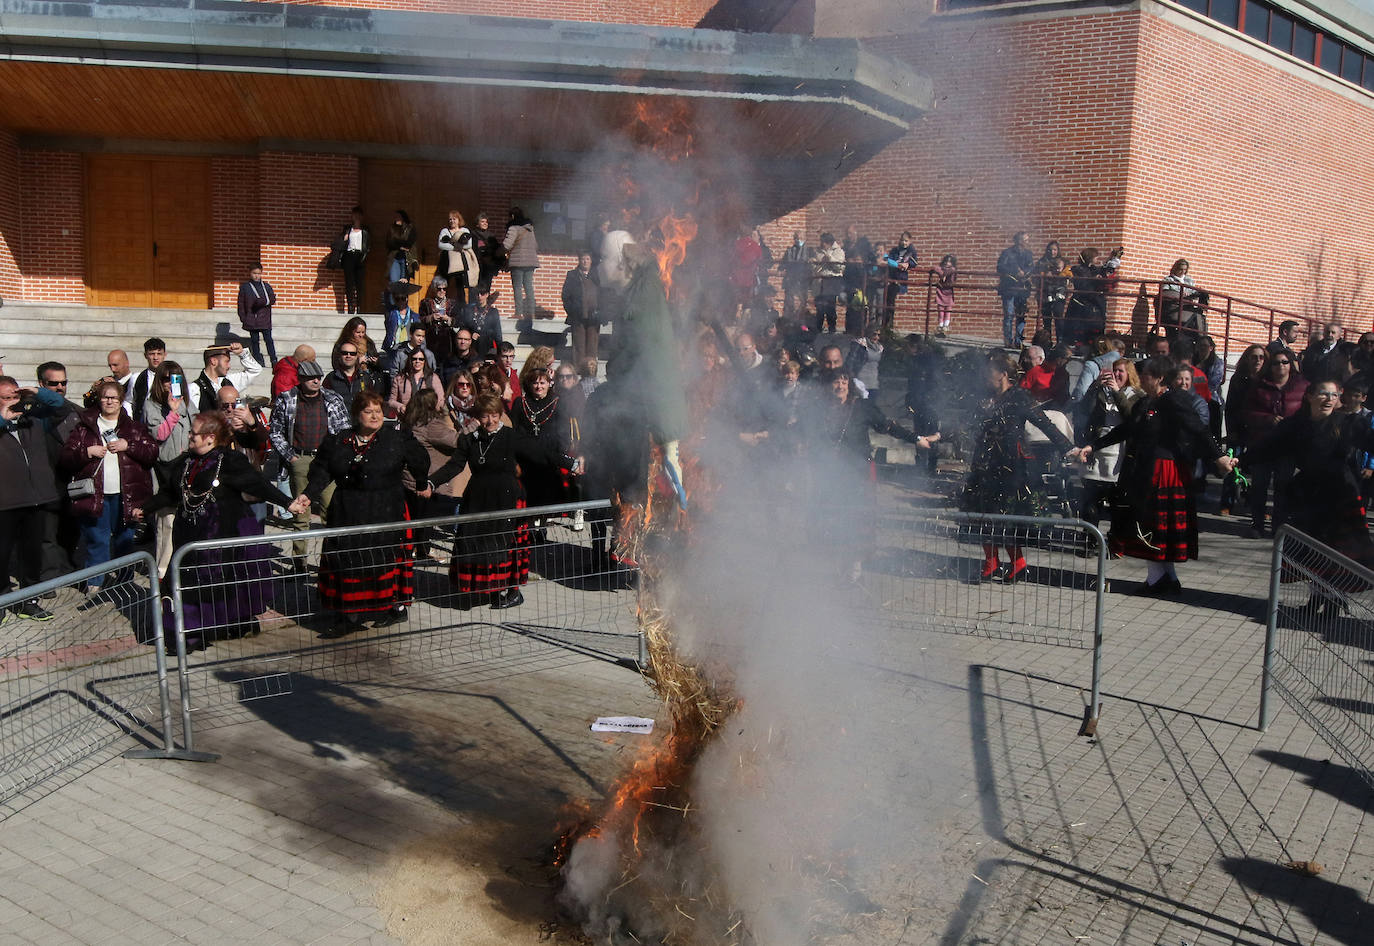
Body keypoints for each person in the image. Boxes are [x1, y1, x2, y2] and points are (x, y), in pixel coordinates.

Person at [139, 411, 304, 650]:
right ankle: (186, 634)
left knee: (213, 587)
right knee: (184, 583)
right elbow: (170, 492)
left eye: (194, 433)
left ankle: (208, 629)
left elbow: (257, 483)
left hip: (216, 536)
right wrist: (144, 509)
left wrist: (287, 503)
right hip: (187, 534)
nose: (189, 437)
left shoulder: (229, 460)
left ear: (210, 438)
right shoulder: (186, 461)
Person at [1076, 357, 1237, 594]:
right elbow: (1127, 428)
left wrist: (1219, 457)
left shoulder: (1173, 399)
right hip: (1148, 470)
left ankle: (1157, 580)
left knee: (1155, 527)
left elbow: (1198, 428)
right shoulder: (1146, 402)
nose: (1142, 379)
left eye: (1147, 376)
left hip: (1166, 471)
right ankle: (1166, 578)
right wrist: (1094, 445)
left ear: (1159, 378)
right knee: (1152, 527)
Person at [295, 391, 431, 636]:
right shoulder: (339, 440)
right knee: (348, 560)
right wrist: (307, 495)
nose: (375, 415)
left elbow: (420, 460)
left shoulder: (396, 438)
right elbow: (322, 471)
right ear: (357, 415)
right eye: (369, 411)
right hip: (348, 510)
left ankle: (395, 607)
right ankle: (350, 613)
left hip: (385, 509)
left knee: (383, 560)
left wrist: (422, 483)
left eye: (378, 410)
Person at [429, 393, 577, 609]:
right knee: (476, 543)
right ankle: (481, 588)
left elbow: (540, 452)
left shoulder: (510, 436)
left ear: (500, 415)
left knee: (506, 546)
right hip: (478, 498)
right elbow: (454, 466)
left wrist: (569, 463)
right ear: (478, 417)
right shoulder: (469, 440)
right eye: (485, 416)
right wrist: (431, 483)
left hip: (506, 497)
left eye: (494, 415)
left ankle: (512, 591)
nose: (489, 421)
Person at [1247, 379, 1374, 613]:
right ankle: (1317, 597)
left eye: (1333, 395)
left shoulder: (1349, 423)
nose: (1328, 399)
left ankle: (1334, 599)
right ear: (1310, 396)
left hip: (1341, 494)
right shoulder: (1296, 425)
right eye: (1323, 393)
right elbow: (1267, 447)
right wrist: (1237, 460)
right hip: (1309, 495)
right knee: (1312, 550)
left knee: (1338, 551)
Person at [805, 366, 935, 581]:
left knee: (858, 517)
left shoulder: (862, 407)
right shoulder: (821, 409)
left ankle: (855, 564)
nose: (840, 386)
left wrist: (916, 439)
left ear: (850, 386)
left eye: (844, 382)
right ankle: (833, 565)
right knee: (832, 517)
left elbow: (888, 426)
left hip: (858, 472)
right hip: (830, 473)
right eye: (836, 382)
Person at [961, 352, 1075, 583]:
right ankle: (991, 562)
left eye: (989, 373)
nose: (985, 378)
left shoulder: (1019, 397)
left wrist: (1069, 449)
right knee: (984, 514)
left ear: (1003, 374)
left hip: (1011, 466)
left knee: (1007, 517)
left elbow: (1044, 423)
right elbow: (970, 424)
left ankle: (1018, 563)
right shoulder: (985, 398)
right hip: (985, 464)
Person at [59, 380, 158, 595]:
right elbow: (66, 457)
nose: (109, 401)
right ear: (99, 399)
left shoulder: (133, 427)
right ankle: (95, 580)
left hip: (127, 493)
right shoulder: (84, 426)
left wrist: (128, 446)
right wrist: (87, 452)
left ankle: (125, 579)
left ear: (121, 400)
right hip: (96, 493)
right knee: (97, 538)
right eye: (105, 397)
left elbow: (151, 452)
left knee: (125, 538)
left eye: (114, 397)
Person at [269, 360, 350, 563]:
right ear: (301, 379)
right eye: (311, 377)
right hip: (300, 458)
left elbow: (345, 430)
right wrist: (291, 456)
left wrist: (337, 456)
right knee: (300, 515)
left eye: (319, 377)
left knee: (330, 513)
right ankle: (299, 563)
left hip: (327, 462)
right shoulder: (286, 399)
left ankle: (331, 562)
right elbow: (275, 431)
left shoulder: (332, 398)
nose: (316, 381)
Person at [0, 378, 67, 619]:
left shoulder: (34, 420)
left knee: (32, 554)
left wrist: (36, 392)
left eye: (15, 397)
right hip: (5, 502)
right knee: (2, 554)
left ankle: (27, 600)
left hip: (36, 499)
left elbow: (60, 405)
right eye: (6, 398)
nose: (12, 403)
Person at [1242, 350, 1308, 537]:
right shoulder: (1259, 386)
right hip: (1262, 443)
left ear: (1291, 365)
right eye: (1276, 363)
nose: (1280, 366)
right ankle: (1257, 523)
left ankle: (1279, 525)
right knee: (1259, 486)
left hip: (1288, 445)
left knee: (1283, 486)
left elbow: (1307, 412)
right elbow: (1247, 412)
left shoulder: (1302, 386)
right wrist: (1268, 419)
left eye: (1285, 362)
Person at [1075, 357, 1142, 523]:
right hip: (1097, 447)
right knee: (1090, 497)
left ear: (1129, 374)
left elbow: (1130, 418)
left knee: (1115, 500)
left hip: (1120, 451)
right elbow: (1084, 411)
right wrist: (1094, 387)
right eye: (1114, 371)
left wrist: (1117, 393)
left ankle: (1113, 541)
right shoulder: (1100, 392)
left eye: (1121, 371)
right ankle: (1089, 539)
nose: (1117, 374)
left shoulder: (1136, 395)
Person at [509, 359, 570, 512]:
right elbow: (513, 430)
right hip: (525, 460)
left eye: (542, 383)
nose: (539, 387)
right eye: (535, 383)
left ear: (549, 384)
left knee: (545, 503)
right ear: (529, 384)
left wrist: (560, 453)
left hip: (548, 460)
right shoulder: (520, 403)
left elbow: (564, 432)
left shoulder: (558, 403)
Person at [1219, 343, 1267, 516]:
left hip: (1258, 431)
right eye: (1253, 357)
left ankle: (1255, 504)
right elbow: (1230, 407)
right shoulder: (1238, 379)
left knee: (1258, 471)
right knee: (1232, 467)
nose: (1257, 360)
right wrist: (1231, 429)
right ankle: (1227, 503)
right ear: (1247, 358)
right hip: (1239, 428)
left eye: (1261, 357)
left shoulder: (1266, 380)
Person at [143, 361, 197, 485]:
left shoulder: (186, 403)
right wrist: (173, 412)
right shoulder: (151, 404)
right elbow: (159, 435)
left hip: (187, 461)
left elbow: (198, 425)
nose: (171, 384)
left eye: (176, 379)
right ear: (159, 381)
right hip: (165, 464)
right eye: (167, 379)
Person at [193, 342, 262, 413]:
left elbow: (255, 370)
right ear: (213, 361)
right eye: (226, 361)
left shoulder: (230, 381)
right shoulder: (195, 388)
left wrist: (242, 353)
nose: (229, 366)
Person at [562, 251, 601, 367]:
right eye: (583, 259)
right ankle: (578, 369)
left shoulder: (597, 276)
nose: (585, 261)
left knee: (592, 345)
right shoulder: (572, 275)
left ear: (591, 261)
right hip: (578, 316)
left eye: (587, 259)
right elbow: (565, 296)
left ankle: (590, 370)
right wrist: (572, 311)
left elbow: (604, 294)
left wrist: (601, 311)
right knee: (579, 345)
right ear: (579, 261)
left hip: (594, 316)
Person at [1063, 247, 1108, 349]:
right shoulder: (1078, 270)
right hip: (1081, 303)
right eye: (1095, 257)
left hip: (1094, 303)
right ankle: (1077, 345)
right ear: (1090, 257)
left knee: (1096, 327)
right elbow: (1082, 284)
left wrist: (1111, 261)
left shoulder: (1094, 269)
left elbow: (1103, 272)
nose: (1097, 259)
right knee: (1078, 327)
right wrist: (1093, 279)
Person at [996, 232, 1033, 348]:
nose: (1027, 242)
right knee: (1009, 314)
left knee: (1021, 315)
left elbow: (1032, 267)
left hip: (1022, 289)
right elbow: (1000, 267)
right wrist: (1015, 271)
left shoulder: (1028, 254)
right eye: (1026, 240)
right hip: (1009, 288)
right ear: (1019, 240)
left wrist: (1025, 273)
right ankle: (1008, 340)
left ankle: (1018, 341)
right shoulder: (1007, 253)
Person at [503, 206, 540, 325]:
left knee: (518, 287)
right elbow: (535, 246)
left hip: (518, 262)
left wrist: (498, 253)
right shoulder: (530, 229)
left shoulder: (513, 228)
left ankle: (519, 313)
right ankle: (531, 312)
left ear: (512, 216)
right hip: (531, 262)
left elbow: (507, 245)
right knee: (529, 287)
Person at [236, 263, 278, 364]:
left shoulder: (266, 286)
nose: (257, 276)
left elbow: (272, 299)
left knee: (268, 340)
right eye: (254, 273)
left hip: (264, 318)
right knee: (254, 341)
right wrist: (243, 318)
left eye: (259, 273)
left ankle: (273, 359)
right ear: (250, 273)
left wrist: (262, 302)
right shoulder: (245, 287)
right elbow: (241, 303)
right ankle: (258, 359)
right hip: (252, 319)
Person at [387, 345, 444, 417]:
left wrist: (432, 410)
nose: (417, 361)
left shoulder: (433, 378)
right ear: (410, 360)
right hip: (407, 417)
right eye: (414, 359)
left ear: (425, 361)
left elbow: (441, 399)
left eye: (421, 359)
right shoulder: (399, 378)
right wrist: (400, 406)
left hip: (428, 418)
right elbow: (391, 401)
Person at [325, 339, 384, 403]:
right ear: (339, 355)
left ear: (357, 356)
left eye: (352, 353)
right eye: (344, 353)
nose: (348, 356)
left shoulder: (365, 377)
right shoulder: (331, 378)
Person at [1033, 241, 1070, 343]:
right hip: (1045, 293)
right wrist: (1044, 275)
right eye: (1050, 250)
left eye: (1054, 249)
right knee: (1046, 319)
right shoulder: (1041, 262)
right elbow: (1035, 277)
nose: (1052, 252)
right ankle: (1047, 342)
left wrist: (1058, 275)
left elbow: (1068, 274)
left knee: (1058, 317)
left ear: (1058, 251)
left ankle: (1060, 341)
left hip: (1059, 294)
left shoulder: (1064, 262)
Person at [1158, 259, 1205, 340]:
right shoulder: (1168, 280)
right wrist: (1180, 294)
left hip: (1187, 307)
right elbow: (1165, 292)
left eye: (1185, 270)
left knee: (1198, 316)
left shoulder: (1189, 281)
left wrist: (1191, 295)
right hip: (1173, 308)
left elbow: (1194, 293)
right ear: (1176, 268)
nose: (1182, 272)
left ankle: (1199, 340)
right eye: (1180, 269)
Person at [810, 231, 845, 335]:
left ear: (828, 242)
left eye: (823, 242)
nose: (821, 244)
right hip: (820, 282)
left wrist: (830, 258)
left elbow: (840, 267)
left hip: (832, 282)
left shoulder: (838, 251)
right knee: (820, 308)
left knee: (830, 308)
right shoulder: (818, 252)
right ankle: (818, 330)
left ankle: (832, 330)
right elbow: (815, 269)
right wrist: (813, 263)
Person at [125, 337, 166, 423]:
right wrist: (130, 421)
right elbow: (129, 401)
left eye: (159, 353)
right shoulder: (136, 378)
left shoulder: (172, 378)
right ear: (145, 355)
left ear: (164, 355)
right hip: (142, 426)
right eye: (152, 354)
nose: (155, 357)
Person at [338, 206, 369, 315]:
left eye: (358, 215)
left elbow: (368, 245)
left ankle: (359, 306)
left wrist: (365, 256)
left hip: (360, 256)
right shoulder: (348, 229)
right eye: (354, 215)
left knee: (359, 284)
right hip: (349, 256)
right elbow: (341, 242)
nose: (356, 217)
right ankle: (350, 306)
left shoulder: (365, 230)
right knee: (349, 283)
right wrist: (344, 237)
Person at [460, 286, 503, 362]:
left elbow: (497, 333)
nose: (479, 296)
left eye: (482, 294)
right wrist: (470, 334)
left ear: (487, 295)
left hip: (488, 348)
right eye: (477, 294)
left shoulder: (493, 312)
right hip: (472, 348)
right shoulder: (468, 310)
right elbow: (463, 328)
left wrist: (500, 353)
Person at [778, 231, 809, 320]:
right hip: (790, 280)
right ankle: (788, 323)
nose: (799, 240)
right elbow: (783, 264)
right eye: (797, 238)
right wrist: (780, 270)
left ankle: (800, 324)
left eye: (801, 238)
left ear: (805, 239)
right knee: (789, 303)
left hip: (801, 281)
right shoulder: (789, 251)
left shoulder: (809, 251)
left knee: (802, 303)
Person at [470, 211, 504, 293]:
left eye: (486, 222)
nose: (485, 223)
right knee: (475, 289)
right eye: (482, 221)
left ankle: (485, 305)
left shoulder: (491, 236)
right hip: (476, 266)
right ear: (477, 223)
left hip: (488, 267)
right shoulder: (472, 235)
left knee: (486, 288)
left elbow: (497, 251)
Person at [385, 209, 416, 286]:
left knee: (404, 284)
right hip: (394, 258)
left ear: (403, 218)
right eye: (395, 217)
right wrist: (400, 247)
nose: (396, 218)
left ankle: (402, 298)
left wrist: (397, 242)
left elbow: (409, 243)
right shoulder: (392, 229)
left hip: (406, 258)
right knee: (394, 283)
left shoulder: (409, 228)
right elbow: (389, 243)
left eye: (398, 217)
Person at [928, 253, 956, 336]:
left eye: (950, 262)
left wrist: (945, 275)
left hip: (949, 292)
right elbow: (935, 268)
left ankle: (945, 326)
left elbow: (953, 270)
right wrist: (941, 273)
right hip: (941, 291)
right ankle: (940, 326)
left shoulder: (953, 270)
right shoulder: (942, 268)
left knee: (948, 310)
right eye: (946, 261)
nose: (947, 263)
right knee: (940, 310)